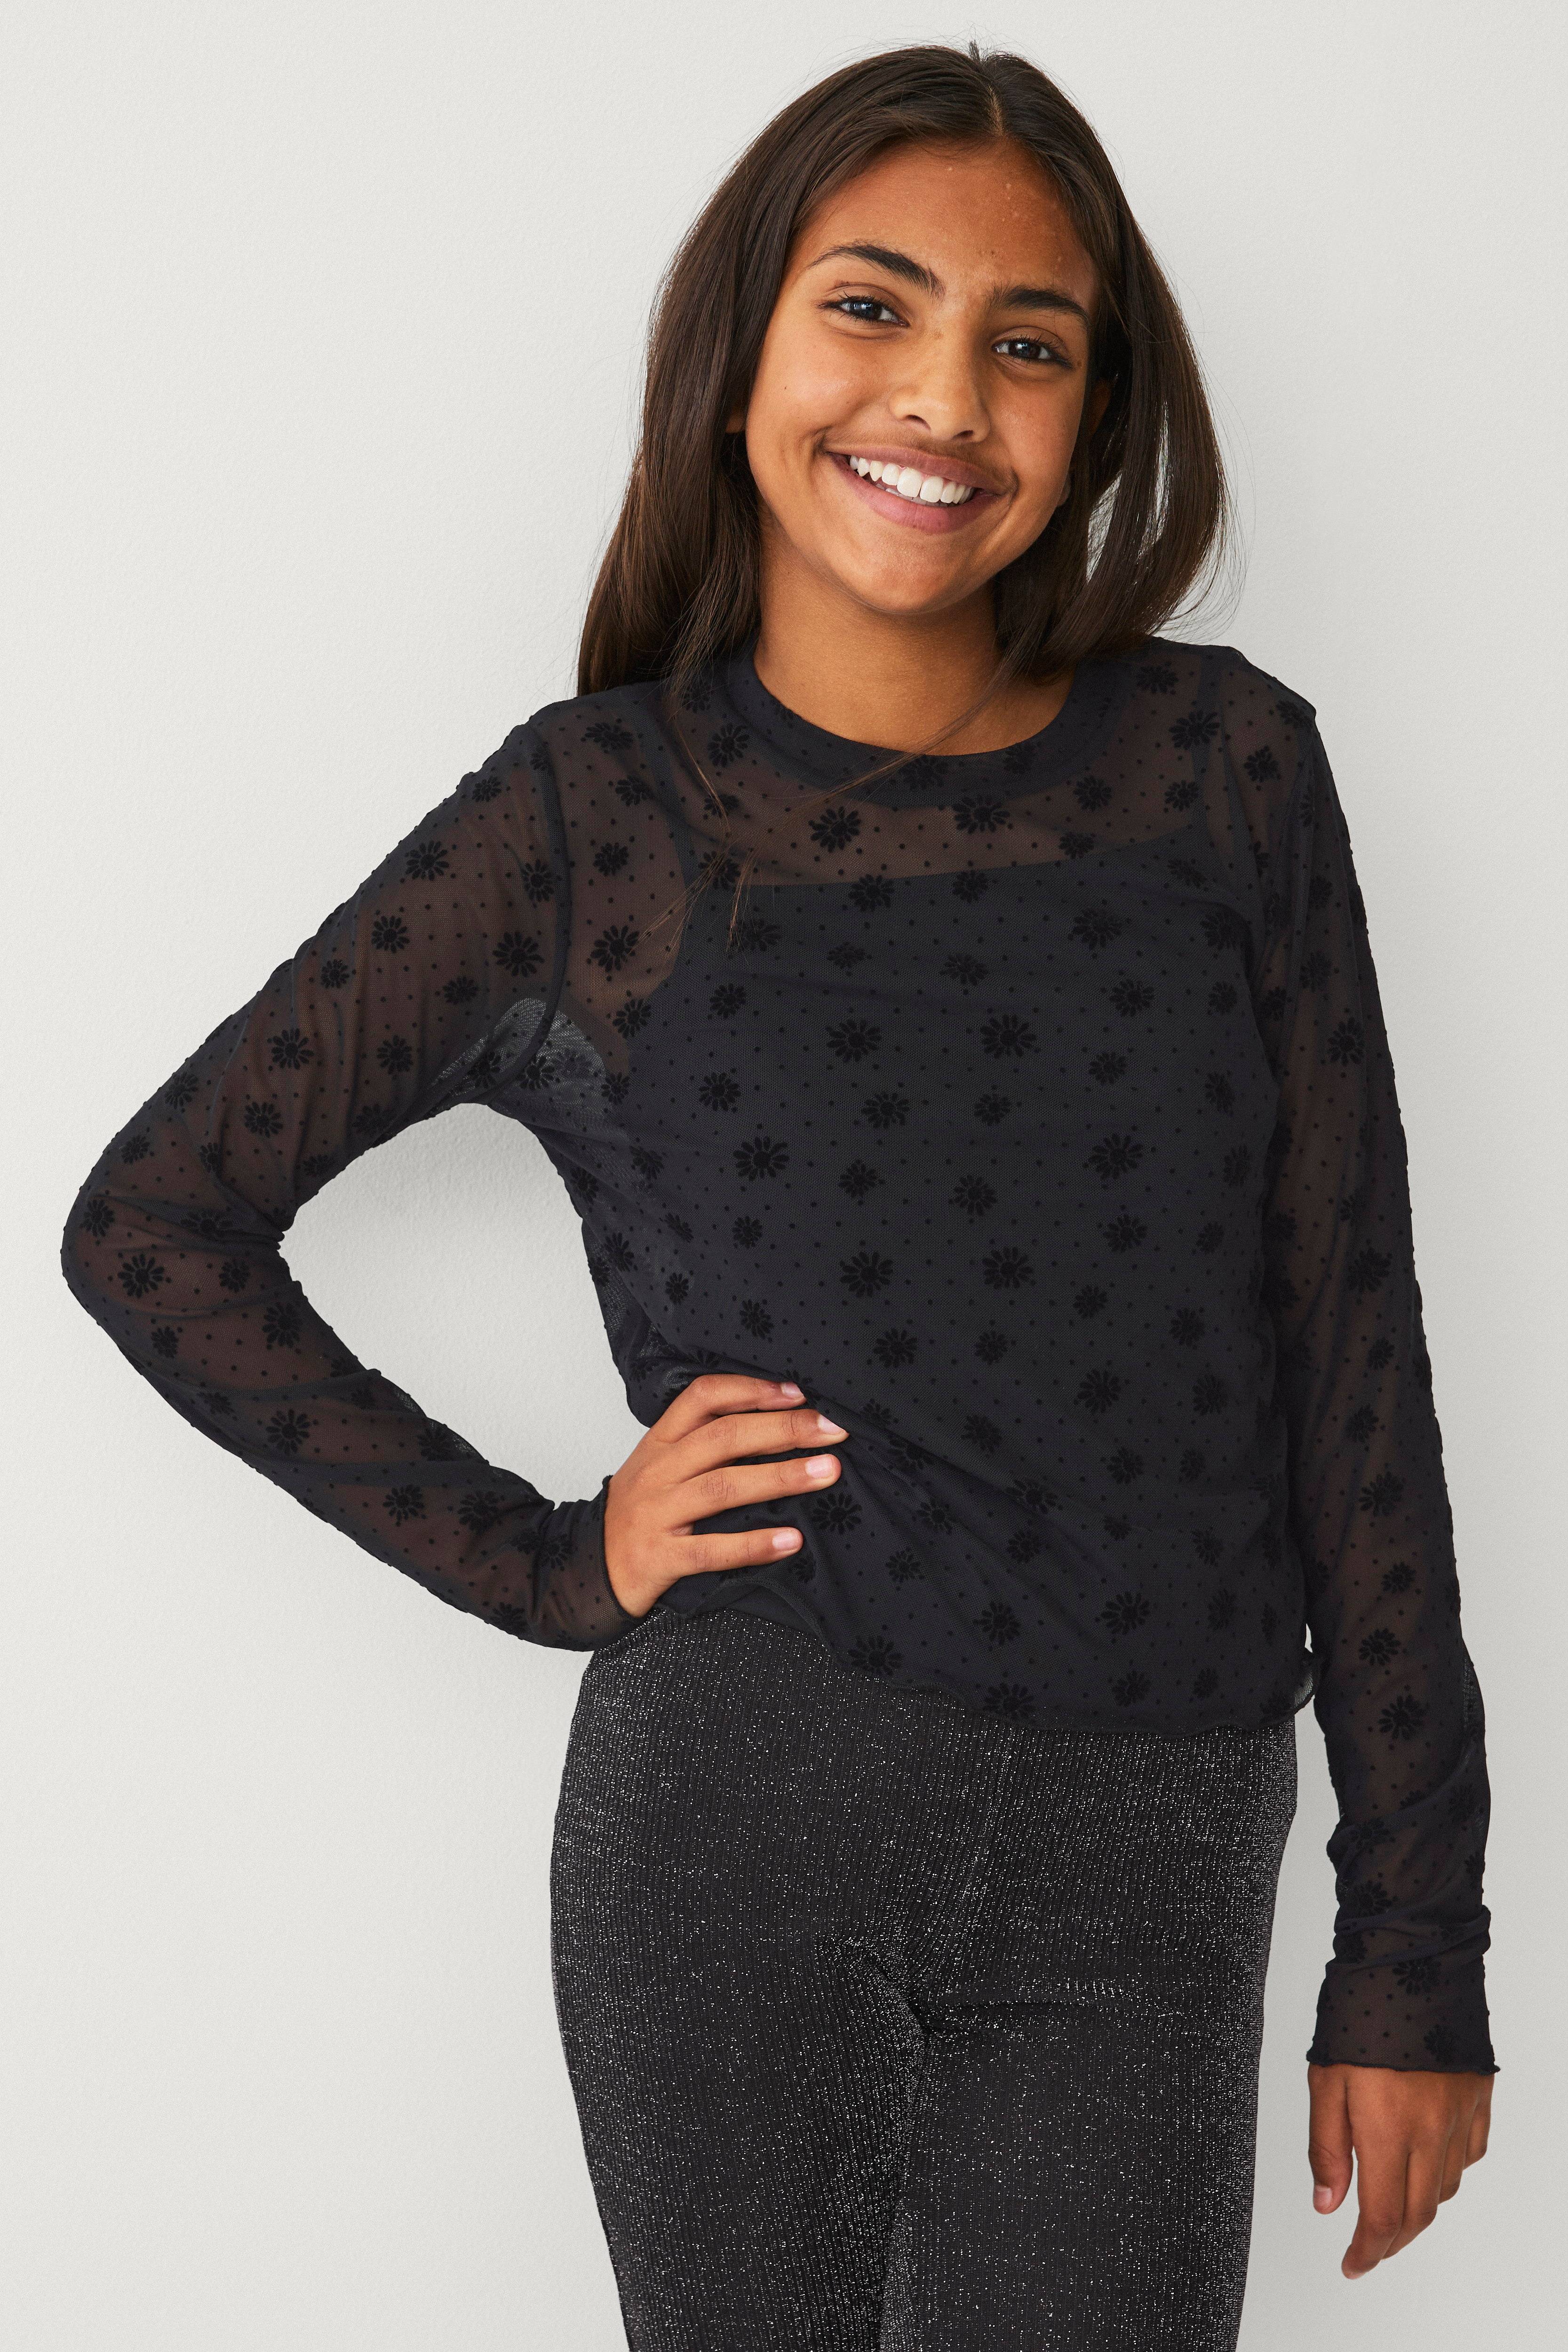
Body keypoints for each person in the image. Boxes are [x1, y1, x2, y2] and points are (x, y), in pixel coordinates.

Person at [61, 39, 1495, 2352]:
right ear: (742, 354)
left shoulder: (1231, 773)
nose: (945, 397)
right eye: (873, 306)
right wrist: (547, 1555)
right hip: (752, 1815)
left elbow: (1354, 1358)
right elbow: (152, 1221)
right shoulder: (592, 821)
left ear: (1098, 417)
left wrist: (1417, 1940)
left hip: (1161, 1850)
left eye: (1032, 344)